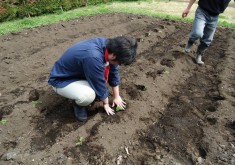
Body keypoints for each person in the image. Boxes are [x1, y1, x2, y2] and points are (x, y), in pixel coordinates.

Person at [48, 36, 138, 122]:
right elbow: (98, 83)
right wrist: (106, 104)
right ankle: (78, 105)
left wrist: (117, 96)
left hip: (79, 74)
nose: (119, 64)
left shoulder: (110, 47)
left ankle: (81, 92)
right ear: (114, 56)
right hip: (62, 80)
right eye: (120, 62)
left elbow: (113, 72)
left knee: (99, 91)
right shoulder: (93, 57)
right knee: (89, 95)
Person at [182, 0, 231, 64]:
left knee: (208, 40)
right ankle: (190, 41)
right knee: (197, 33)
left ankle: (199, 54)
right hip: (202, 12)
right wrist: (188, 8)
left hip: (215, 16)